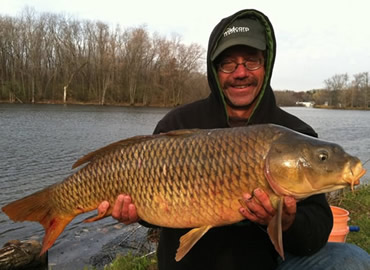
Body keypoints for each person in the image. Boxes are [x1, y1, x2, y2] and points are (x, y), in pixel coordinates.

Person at [98, 9, 370, 270]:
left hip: (264, 264)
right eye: (228, 63)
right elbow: (154, 206)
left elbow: (316, 234)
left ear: (265, 64)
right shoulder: (177, 124)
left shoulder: (294, 132)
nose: (241, 73)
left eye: (251, 60)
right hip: (190, 267)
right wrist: (137, 213)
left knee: (351, 259)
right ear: (215, 70)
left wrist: (287, 222)